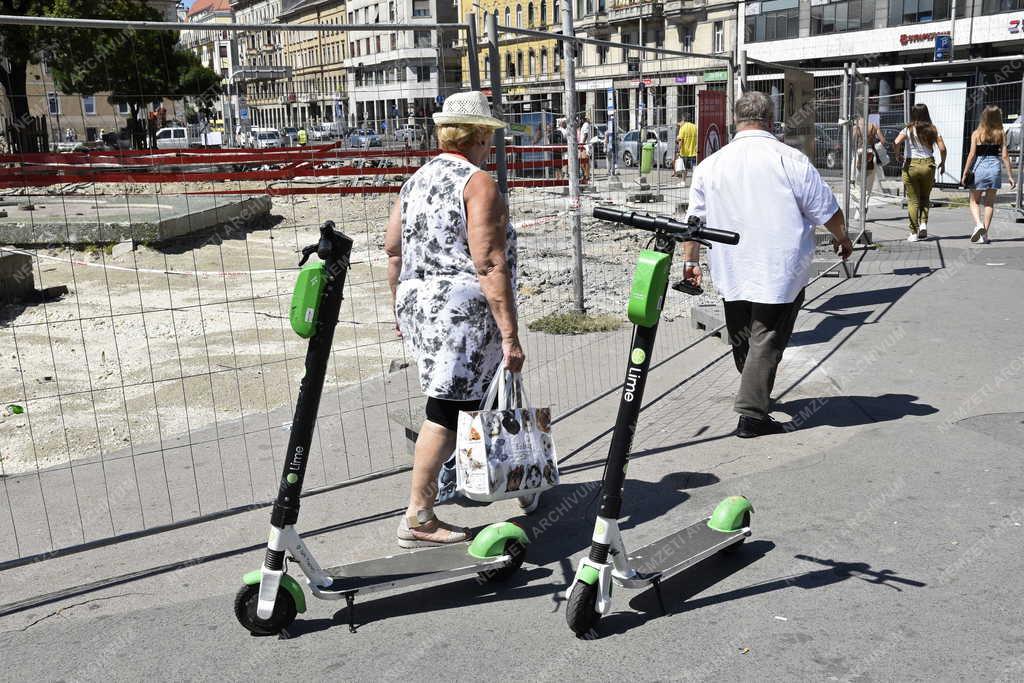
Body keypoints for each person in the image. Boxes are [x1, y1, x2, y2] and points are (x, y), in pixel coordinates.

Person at [384, 91, 528, 548]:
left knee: (457, 404)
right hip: (460, 311)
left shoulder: (415, 182)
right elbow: (488, 262)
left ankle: (457, 486)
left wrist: (400, 309)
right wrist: (510, 334)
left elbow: (393, 251)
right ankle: (419, 516)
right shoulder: (477, 182)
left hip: (419, 303)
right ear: (482, 135)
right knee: (445, 412)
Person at [679, 91, 852, 438]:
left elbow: (693, 221)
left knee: (745, 337)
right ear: (771, 122)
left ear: (735, 122)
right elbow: (827, 209)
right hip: (779, 268)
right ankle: (752, 415)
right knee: (766, 339)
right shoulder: (790, 159)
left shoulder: (710, 165)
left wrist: (690, 261)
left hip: (730, 266)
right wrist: (843, 238)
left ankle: (754, 392)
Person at [962, 105, 1017, 244]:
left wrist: (965, 172)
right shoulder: (1001, 133)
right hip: (994, 169)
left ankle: (978, 224)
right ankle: (984, 235)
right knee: (989, 203)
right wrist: (1010, 176)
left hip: (979, 169)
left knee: (974, 200)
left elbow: (972, 155)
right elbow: (1005, 156)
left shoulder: (976, 133)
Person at [894, 104, 946, 242]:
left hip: (911, 165)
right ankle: (923, 223)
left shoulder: (908, 129)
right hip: (928, 165)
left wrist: (897, 154)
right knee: (925, 197)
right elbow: (942, 148)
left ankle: (913, 232)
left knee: (913, 200)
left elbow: (896, 141)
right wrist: (943, 162)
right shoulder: (933, 129)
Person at [851, 115, 888, 220]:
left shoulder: (856, 127)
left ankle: (859, 208)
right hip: (871, 156)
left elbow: (852, 142)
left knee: (856, 185)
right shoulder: (874, 126)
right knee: (868, 187)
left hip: (859, 155)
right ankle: (863, 209)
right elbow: (883, 141)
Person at [675, 114, 697, 183]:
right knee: (694, 167)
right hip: (694, 151)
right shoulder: (695, 127)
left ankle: (683, 182)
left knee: (684, 168)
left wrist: (678, 150)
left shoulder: (683, 127)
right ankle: (695, 181)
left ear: (683, 119)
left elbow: (680, 140)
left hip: (685, 152)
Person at [577, 112, 592, 183]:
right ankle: (585, 176)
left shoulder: (586, 125)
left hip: (584, 146)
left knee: (585, 162)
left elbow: (585, 135)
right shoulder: (583, 125)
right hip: (582, 145)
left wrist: (582, 143)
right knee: (582, 162)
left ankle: (587, 176)